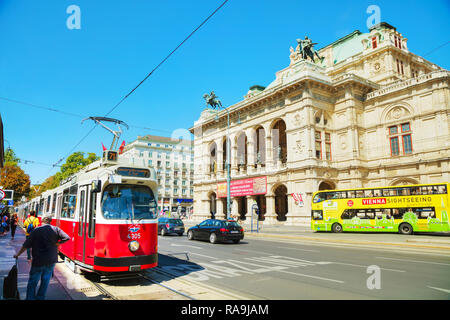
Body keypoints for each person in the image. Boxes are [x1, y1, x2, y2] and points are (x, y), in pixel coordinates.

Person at [14, 213, 70, 300]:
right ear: (50, 221)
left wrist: (17, 255)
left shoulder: (36, 230)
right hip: (51, 260)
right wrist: (58, 243)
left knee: (33, 281)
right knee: (45, 281)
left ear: (42, 220)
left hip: (38, 260)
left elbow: (26, 245)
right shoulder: (56, 229)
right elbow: (67, 237)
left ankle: (30, 298)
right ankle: (40, 297)